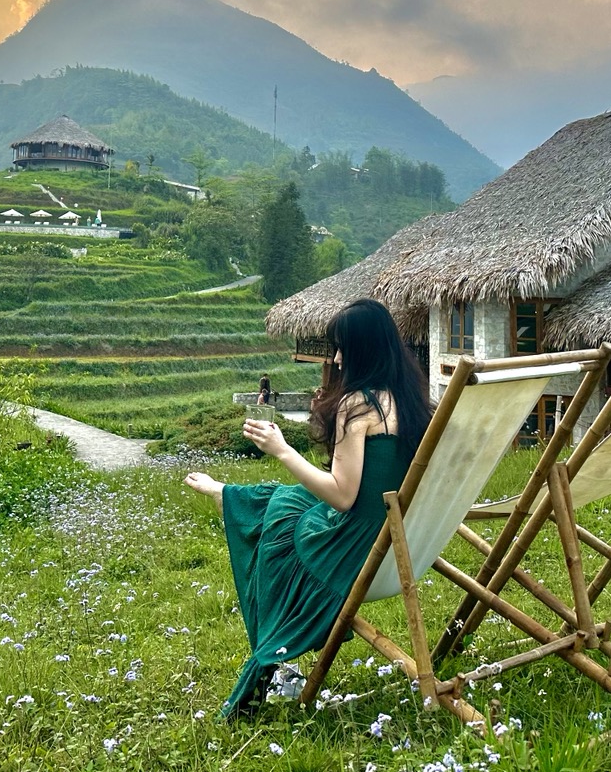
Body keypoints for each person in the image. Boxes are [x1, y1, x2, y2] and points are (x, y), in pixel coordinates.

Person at [185, 298, 432, 717]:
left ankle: (269, 646)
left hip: (353, 546)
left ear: (363, 351)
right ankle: (224, 492)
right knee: (285, 499)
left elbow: (341, 496)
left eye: (341, 349)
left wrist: (281, 449)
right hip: (397, 538)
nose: (335, 359)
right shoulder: (408, 399)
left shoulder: (358, 405)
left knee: (280, 520)